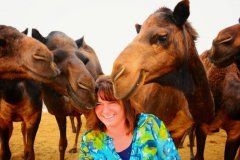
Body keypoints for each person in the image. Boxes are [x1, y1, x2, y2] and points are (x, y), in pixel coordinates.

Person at [79, 75, 180, 160]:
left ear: (125, 103)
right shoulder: (89, 141)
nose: (105, 110)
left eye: (112, 102)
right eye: (98, 104)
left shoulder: (150, 125)